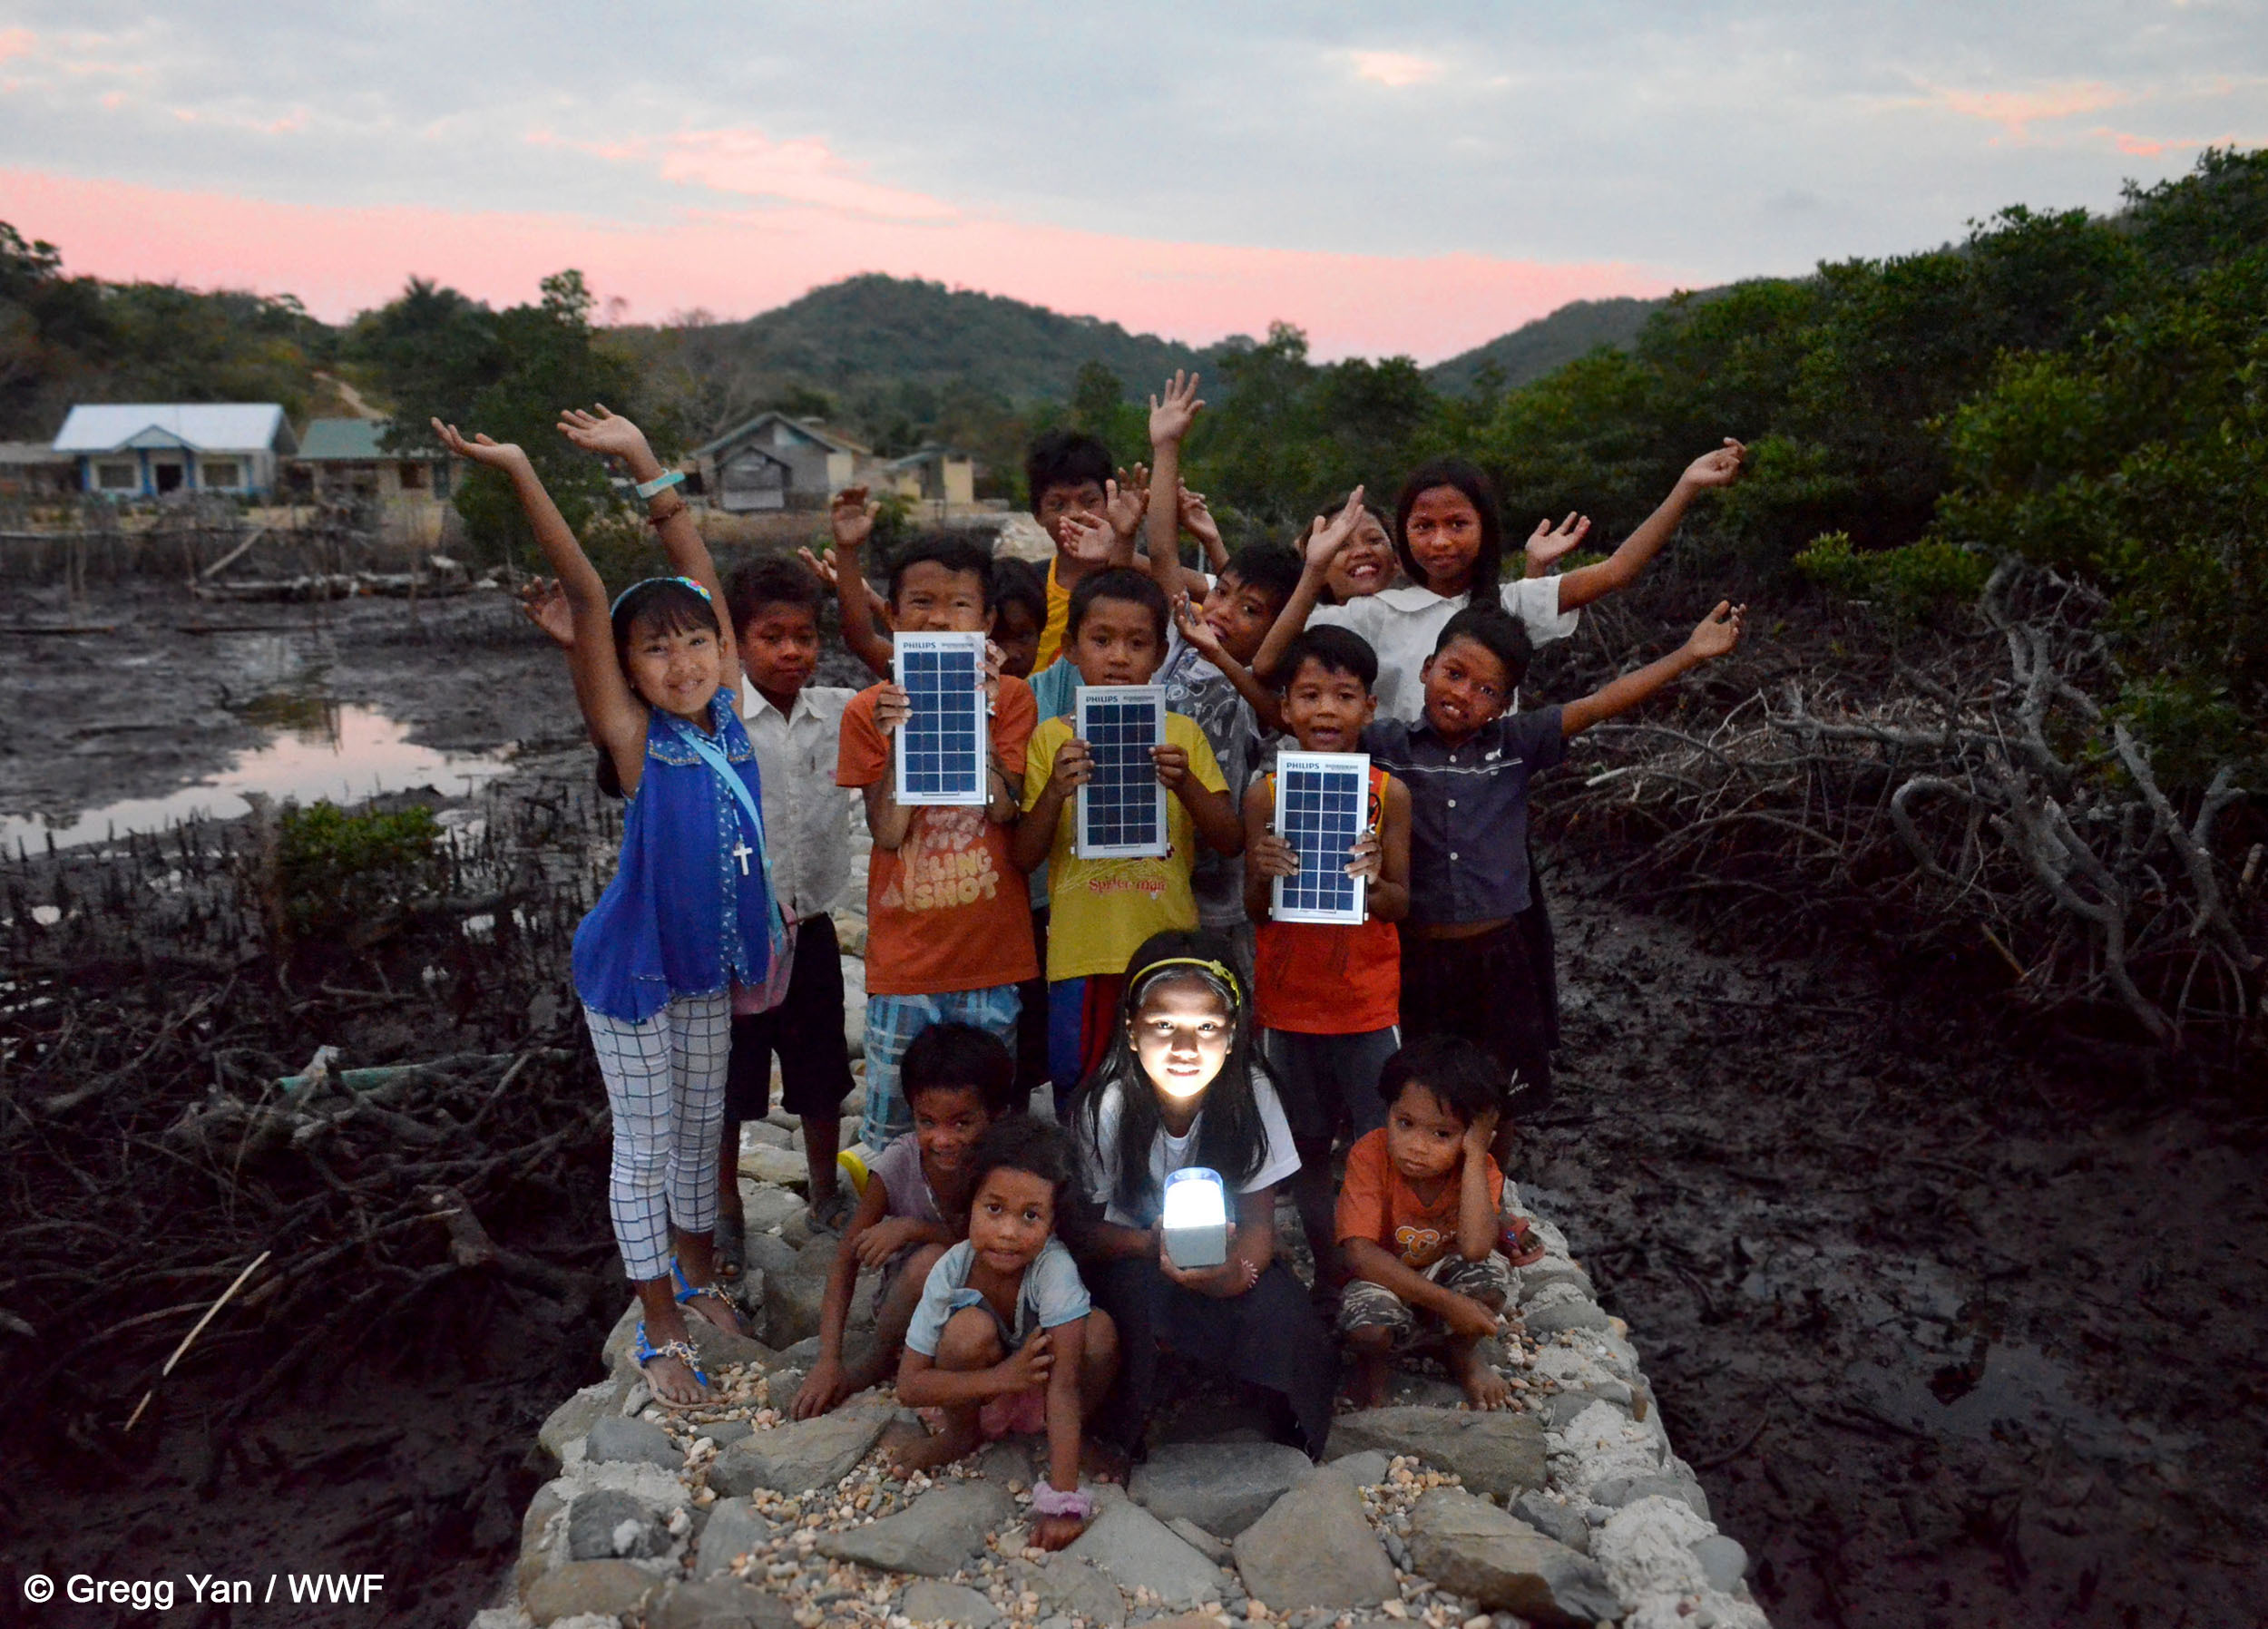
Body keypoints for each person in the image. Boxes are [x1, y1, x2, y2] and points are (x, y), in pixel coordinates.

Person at [432, 405, 761, 1409]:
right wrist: (524, 464)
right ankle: (658, 1323)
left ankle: (698, 1276)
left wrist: (644, 463)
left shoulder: (731, 713)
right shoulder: (635, 738)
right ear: (625, 670)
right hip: (629, 971)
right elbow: (583, 586)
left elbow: (694, 557)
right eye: (655, 651)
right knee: (647, 1139)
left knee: (705, 1131)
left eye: (695, 640)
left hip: (705, 962)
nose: (683, 661)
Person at [519, 553, 861, 1260]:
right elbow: (617, 716)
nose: (791, 650)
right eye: (770, 636)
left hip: (813, 921)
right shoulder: (720, 718)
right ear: (735, 640)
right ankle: (724, 1212)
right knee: (728, 1087)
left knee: (822, 1068)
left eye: (805, 635)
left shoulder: (834, 713)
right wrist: (582, 650)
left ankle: (826, 1192)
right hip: (734, 937)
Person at [1365, 600, 1747, 1160]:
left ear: (1505, 703)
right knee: (1417, 1091)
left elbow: (1598, 704)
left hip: (1498, 958)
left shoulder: (1515, 745)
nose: (1464, 694)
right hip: (1412, 958)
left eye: (1487, 690)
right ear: (1426, 668)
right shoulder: (1386, 746)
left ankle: (1492, 1197)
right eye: (1454, 674)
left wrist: (1688, 654)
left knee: (1499, 1096)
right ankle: (1422, 1206)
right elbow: (1302, 711)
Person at [1068, 932, 1335, 1460]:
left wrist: (1237, 1275)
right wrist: (1152, 1246)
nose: (1185, 1049)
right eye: (1164, 1025)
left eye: (1207, 1027)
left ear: (1234, 1035)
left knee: (1286, 1318)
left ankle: (1286, 1423)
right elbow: (1081, 1232)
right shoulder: (1108, 1106)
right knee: (1139, 1315)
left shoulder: (1252, 1091)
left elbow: (1261, 1226)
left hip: (1228, 1250)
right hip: (1134, 1256)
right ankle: (1125, 1435)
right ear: (1131, 1030)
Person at [1256, 445, 1748, 725]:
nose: (1441, 541)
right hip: (1400, 804)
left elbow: (1618, 570)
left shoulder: (1512, 603)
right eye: (1423, 526)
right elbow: (1270, 660)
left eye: (1457, 524)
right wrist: (1313, 570)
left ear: (1485, 529)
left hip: (1489, 800)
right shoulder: (1376, 612)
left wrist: (1685, 486)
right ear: (1404, 533)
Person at [836, 537, 1039, 1149]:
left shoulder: (1013, 700)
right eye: (920, 603)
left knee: (984, 1122)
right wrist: (901, 736)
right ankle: (889, 1229)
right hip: (906, 963)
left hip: (991, 959)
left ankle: (979, 1234)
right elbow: (890, 831)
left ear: (987, 621)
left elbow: (1005, 808)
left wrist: (977, 711)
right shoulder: (867, 710)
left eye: (960, 605)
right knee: (898, 1122)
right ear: (893, 617)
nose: (941, 618)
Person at [1012, 571, 1244, 1102]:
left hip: (1168, 950)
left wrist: (1184, 782)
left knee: (1171, 1087)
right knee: (1081, 1083)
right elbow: (1023, 857)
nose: (1119, 657)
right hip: (1081, 955)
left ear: (1161, 652)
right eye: (1101, 640)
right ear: (1070, 648)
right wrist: (1054, 792)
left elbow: (1230, 840)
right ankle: (1090, 1185)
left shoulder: (1181, 734)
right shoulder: (1052, 739)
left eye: (1137, 644)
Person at [1241, 626, 1411, 1288]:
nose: (1325, 711)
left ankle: (1376, 1271)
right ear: (1284, 707)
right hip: (1290, 1006)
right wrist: (1261, 870)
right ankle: (1329, 1275)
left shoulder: (1388, 794)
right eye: (1309, 695)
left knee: (1376, 1146)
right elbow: (1256, 908)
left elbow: (1402, 902)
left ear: (1370, 708)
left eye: (1344, 696)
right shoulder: (1265, 795)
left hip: (1366, 1004)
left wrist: (1373, 882)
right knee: (1306, 1148)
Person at [1137, 370, 1309, 970]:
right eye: (1224, 593)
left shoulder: (1264, 684)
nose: (1224, 612)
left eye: (1251, 609)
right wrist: (1166, 447)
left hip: (1222, 882)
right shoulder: (1178, 638)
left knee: (1221, 993)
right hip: (1152, 854)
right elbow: (1162, 553)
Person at [890, 1117, 1122, 1549]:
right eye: (993, 1209)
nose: (1008, 1233)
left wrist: (1062, 1501)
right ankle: (961, 1434)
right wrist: (1002, 1379)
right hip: (984, 1389)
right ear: (971, 1204)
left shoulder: (1054, 1270)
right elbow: (909, 1385)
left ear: (1053, 1225)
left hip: (1047, 1386)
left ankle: (1071, 1438)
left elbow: (1066, 1386)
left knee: (1100, 1332)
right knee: (965, 1332)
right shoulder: (952, 1269)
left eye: (1030, 1216)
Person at [795, 1023, 1019, 1419]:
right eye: (927, 1122)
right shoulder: (901, 1163)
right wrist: (829, 1360)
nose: (943, 1140)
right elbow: (846, 1259)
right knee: (928, 1263)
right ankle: (879, 1358)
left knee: (940, 1260)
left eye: (961, 1123)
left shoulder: (1007, 1166)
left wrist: (914, 1228)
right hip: (910, 1309)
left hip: (989, 1305)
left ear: (996, 1115)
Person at [1336, 1036, 1514, 1410]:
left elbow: (1476, 1248)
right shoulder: (1370, 1154)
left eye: (1441, 1134)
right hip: (1384, 1278)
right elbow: (1360, 1255)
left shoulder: (1478, 1169)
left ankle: (1460, 1353)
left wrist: (1477, 1154)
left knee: (1490, 1279)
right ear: (1388, 1113)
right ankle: (1374, 1368)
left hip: (1440, 1273)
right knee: (1368, 1331)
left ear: (1469, 1135)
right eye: (1405, 1123)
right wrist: (1450, 1304)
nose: (1417, 1146)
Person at [1024, 429, 1148, 671]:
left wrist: (1121, 544)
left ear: (1109, 502)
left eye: (1089, 501)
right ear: (1038, 515)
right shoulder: (1028, 588)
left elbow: (1203, 587)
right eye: (1058, 504)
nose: (1075, 514)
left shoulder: (1146, 585)